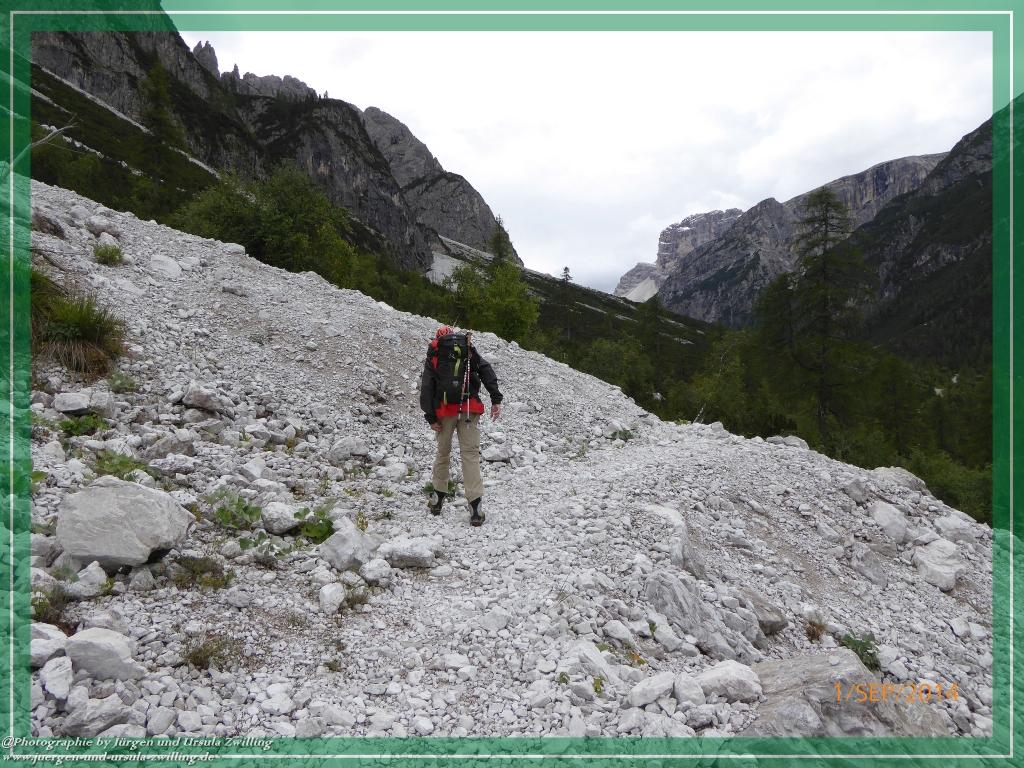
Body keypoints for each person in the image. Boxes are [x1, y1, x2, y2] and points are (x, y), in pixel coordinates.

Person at [419, 326, 503, 526]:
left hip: (444, 411)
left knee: (443, 453)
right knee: (470, 455)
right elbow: (485, 369)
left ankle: (437, 501)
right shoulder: (467, 349)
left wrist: (430, 417)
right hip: (469, 408)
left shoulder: (435, 353)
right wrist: (495, 398)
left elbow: (427, 386)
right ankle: (475, 508)